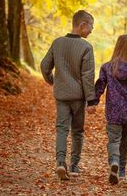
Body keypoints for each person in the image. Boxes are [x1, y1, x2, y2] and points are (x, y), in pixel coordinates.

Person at [40, 10, 97, 181]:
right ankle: (74, 166)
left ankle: (59, 162)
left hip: (62, 97)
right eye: (91, 27)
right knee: (77, 132)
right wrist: (91, 100)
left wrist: (52, 81)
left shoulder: (57, 43)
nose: (91, 30)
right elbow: (88, 76)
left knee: (62, 130)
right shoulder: (86, 47)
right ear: (82, 25)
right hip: (78, 98)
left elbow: (44, 66)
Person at [94, 34, 127, 185]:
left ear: (118, 47)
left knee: (113, 140)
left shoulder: (108, 67)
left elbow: (99, 87)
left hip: (113, 112)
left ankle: (114, 162)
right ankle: (121, 171)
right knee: (124, 142)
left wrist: (93, 102)